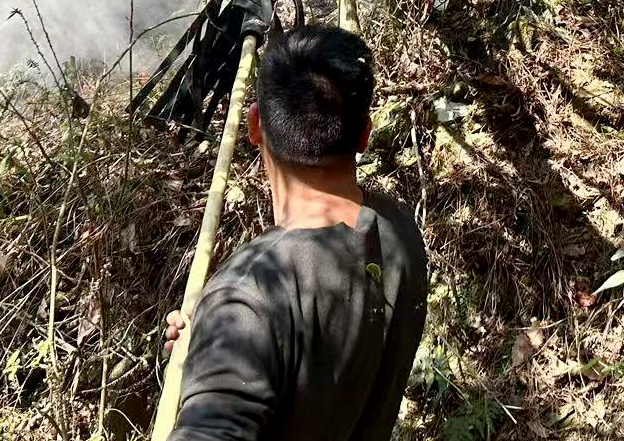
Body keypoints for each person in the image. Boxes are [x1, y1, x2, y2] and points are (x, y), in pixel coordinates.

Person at [161, 23, 428, 441]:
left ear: (253, 125)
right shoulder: (403, 234)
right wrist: (213, 350)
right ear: (364, 136)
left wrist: (226, 332)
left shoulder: (251, 293)